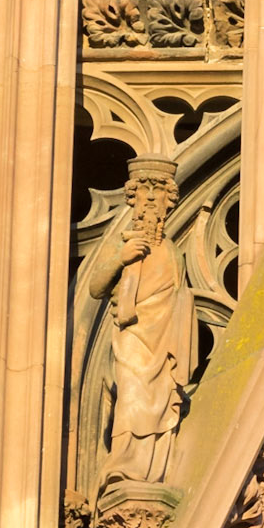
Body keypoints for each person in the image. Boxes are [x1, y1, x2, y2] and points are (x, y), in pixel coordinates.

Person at [88, 154, 196, 489]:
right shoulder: (126, 242)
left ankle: (151, 465)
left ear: (169, 202)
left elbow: (180, 296)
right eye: (145, 192)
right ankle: (125, 462)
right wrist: (120, 259)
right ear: (133, 199)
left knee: (160, 403)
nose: (151, 199)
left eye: (158, 192)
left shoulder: (173, 252)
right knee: (133, 399)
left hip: (163, 339)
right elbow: (95, 287)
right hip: (134, 338)